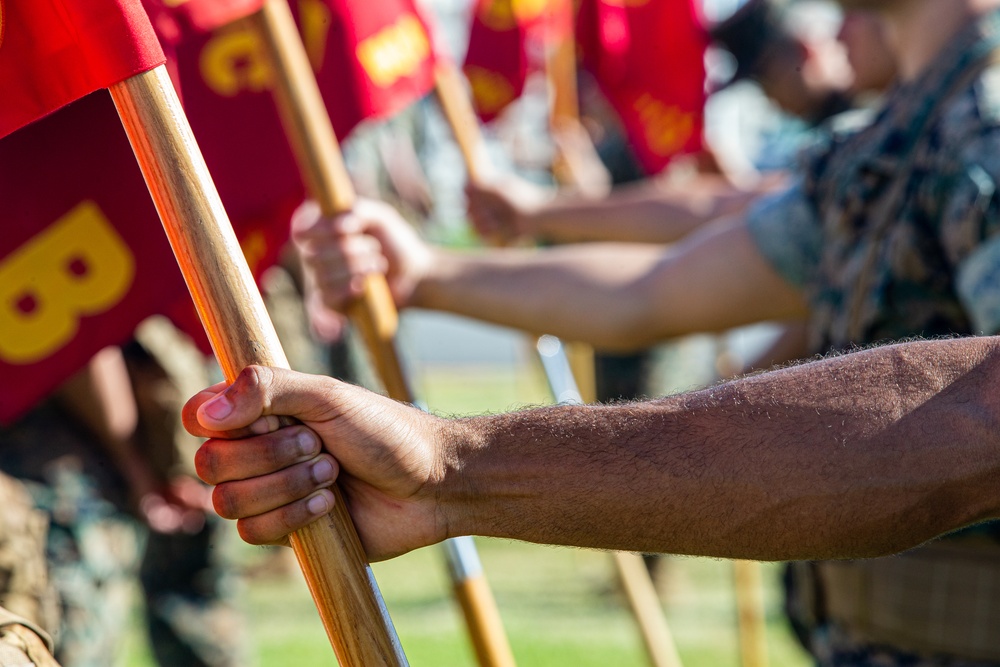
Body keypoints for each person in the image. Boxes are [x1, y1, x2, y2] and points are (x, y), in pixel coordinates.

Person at [207, 0, 1000, 663]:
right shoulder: (918, 117)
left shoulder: (988, 108)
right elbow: (661, 285)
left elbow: (982, 411)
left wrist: (456, 468)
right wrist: (426, 275)